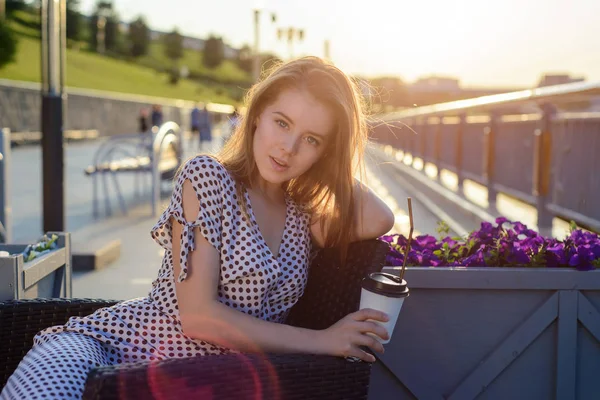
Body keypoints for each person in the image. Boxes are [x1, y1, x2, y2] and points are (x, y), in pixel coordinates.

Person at [0, 56, 395, 400]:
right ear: (256, 115)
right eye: (282, 122)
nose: (287, 148)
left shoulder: (303, 215)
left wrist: (328, 161)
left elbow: (381, 217)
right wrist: (323, 341)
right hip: (111, 348)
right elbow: (199, 317)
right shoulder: (208, 177)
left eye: (310, 139)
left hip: (201, 381)